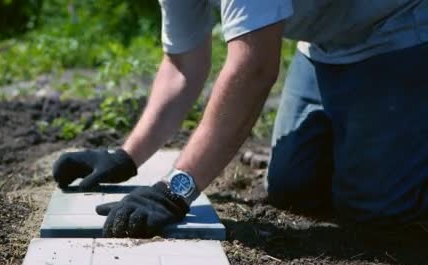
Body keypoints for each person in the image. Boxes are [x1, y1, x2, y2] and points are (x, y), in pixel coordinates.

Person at [53, 0, 428, 238]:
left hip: (400, 26)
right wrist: (126, 157)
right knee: (293, 188)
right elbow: (184, 66)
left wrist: (174, 192)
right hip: (324, 42)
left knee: (376, 210)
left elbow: (255, 68)